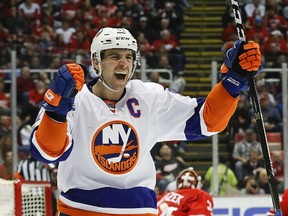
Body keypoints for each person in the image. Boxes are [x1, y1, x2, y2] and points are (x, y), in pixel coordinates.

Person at [29, 27, 263, 215]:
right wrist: (56, 113)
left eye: (129, 56)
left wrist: (232, 83)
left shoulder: (148, 96)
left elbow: (207, 120)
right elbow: (47, 152)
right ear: (96, 62)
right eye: (114, 56)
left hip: (140, 209)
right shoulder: (74, 98)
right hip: (82, 210)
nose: (124, 63)